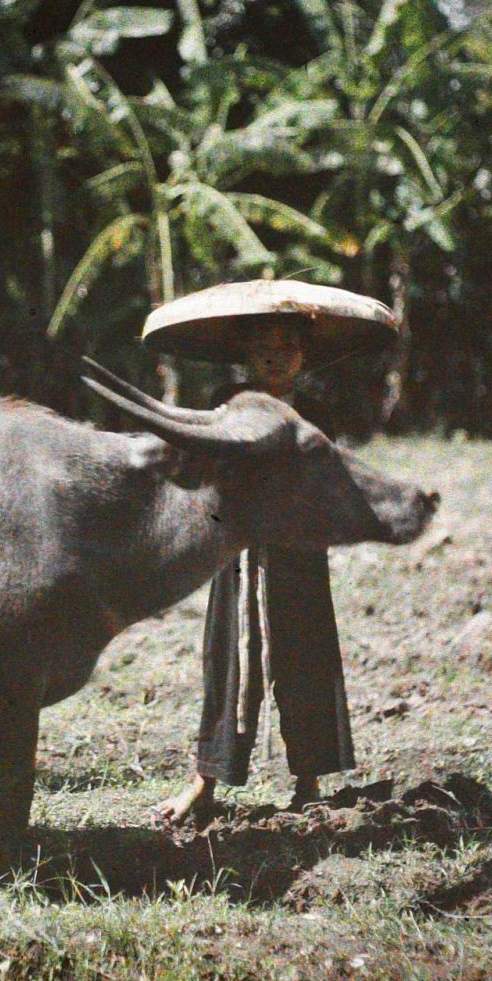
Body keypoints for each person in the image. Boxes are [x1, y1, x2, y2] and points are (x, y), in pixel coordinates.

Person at [154, 314, 357, 827]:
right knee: (229, 660)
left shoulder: (316, 414)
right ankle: (206, 780)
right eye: (264, 345)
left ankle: (309, 779)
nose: (276, 354)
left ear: (303, 357)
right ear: (245, 354)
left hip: (298, 550)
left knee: (305, 654)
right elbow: (202, 472)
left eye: (288, 345)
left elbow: (327, 481)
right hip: (238, 551)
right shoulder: (228, 405)